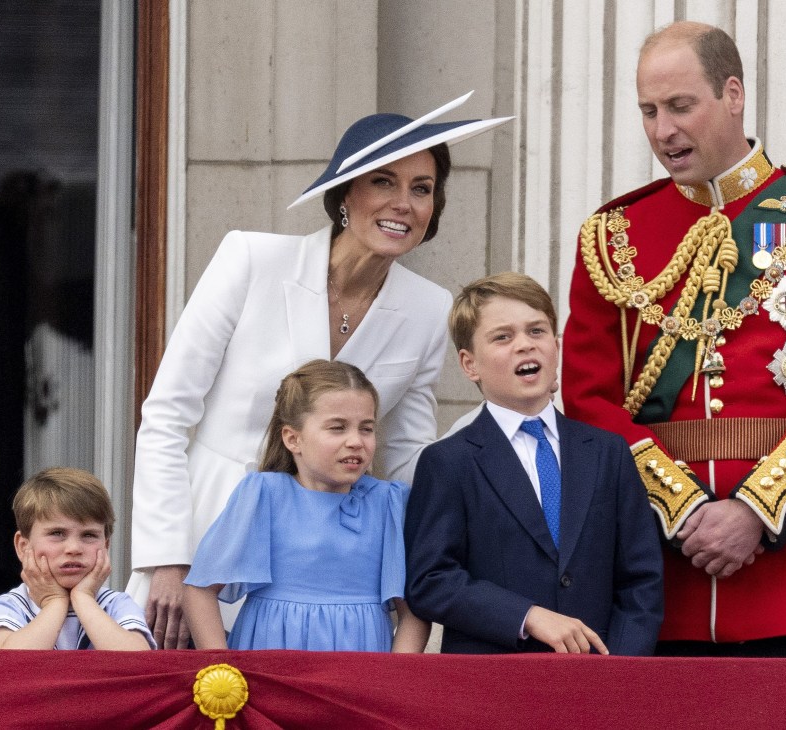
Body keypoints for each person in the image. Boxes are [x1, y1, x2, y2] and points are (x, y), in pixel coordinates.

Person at [128, 93, 511, 648]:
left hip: (332, 588)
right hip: (203, 560)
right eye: (383, 181)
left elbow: (408, 459)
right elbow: (166, 415)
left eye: (422, 188)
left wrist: (494, 435)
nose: (404, 203)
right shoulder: (251, 260)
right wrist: (168, 556)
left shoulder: (431, 309)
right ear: (345, 195)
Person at [562, 21, 786, 657]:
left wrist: (754, 514)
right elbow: (588, 399)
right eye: (649, 111)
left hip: (784, 575)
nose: (663, 130)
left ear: (733, 93)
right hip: (656, 578)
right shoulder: (612, 237)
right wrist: (683, 512)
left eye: (681, 106)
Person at [404, 272, 663, 655]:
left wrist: (620, 671)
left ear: (557, 347)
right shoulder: (448, 461)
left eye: (537, 331)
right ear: (469, 364)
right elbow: (431, 580)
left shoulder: (608, 452)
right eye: (503, 337)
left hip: (599, 680)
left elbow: (641, 578)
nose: (525, 345)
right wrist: (527, 616)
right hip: (492, 683)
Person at [182, 359, 429, 652]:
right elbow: (199, 591)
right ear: (293, 438)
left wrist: (391, 682)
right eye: (337, 428)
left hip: (361, 670)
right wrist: (223, 669)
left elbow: (413, 611)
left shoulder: (389, 503)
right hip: (271, 664)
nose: (355, 441)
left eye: (366, 429)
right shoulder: (263, 496)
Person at [0, 467, 155, 650]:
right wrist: (54, 602)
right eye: (57, 533)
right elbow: (8, 665)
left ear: (105, 546)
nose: (74, 548)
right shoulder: (10, 606)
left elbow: (138, 660)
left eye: (89, 535)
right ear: (23, 546)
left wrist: (84, 598)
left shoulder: (116, 604)